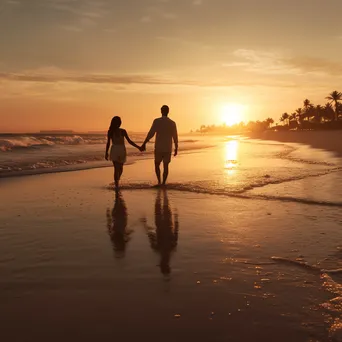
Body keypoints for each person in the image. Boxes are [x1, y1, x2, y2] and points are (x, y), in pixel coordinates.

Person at [141, 105, 178, 186]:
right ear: (168, 111)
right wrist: (176, 148)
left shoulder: (157, 121)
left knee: (157, 164)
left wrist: (144, 143)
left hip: (159, 147)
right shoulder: (172, 123)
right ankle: (163, 183)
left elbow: (151, 133)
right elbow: (175, 136)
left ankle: (159, 181)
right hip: (168, 147)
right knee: (166, 166)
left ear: (161, 111)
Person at [105, 116, 141, 189]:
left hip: (120, 150)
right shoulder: (110, 131)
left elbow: (129, 141)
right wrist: (106, 152)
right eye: (119, 122)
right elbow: (108, 142)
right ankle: (117, 185)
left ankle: (117, 180)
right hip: (116, 149)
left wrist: (138, 147)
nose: (120, 123)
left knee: (120, 168)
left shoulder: (123, 131)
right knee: (116, 168)